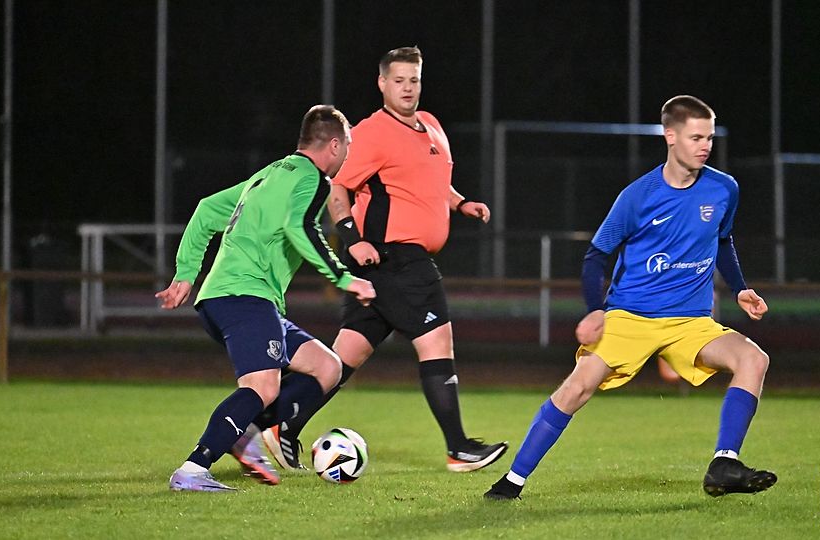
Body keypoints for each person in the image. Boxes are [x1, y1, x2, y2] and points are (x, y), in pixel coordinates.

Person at [484, 95, 777, 500]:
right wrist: (595, 311)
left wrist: (740, 287)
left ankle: (724, 463)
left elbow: (722, 240)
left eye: (709, 138)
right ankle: (511, 482)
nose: (705, 146)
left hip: (690, 322)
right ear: (670, 136)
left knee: (754, 359)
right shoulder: (638, 196)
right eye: (696, 138)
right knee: (577, 387)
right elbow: (596, 256)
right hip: (630, 317)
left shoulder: (724, 188)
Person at [251, 46, 508, 473]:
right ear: (382, 83)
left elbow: (433, 183)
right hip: (394, 258)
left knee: (343, 358)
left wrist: (461, 203)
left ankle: (271, 424)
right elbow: (337, 188)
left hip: (392, 263)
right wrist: (351, 239)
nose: (407, 88)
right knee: (436, 342)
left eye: (414, 80)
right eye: (399, 80)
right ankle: (459, 448)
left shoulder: (431, 126)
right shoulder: (371, 132)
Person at [158, 105, 375, 492]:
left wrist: (186, 273)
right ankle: (194, 469)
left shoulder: (269, 174)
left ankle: (246, 434)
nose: (348, 155)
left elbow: (207, 210)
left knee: (327, 367)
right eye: (348, 146)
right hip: (245, 296)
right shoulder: (313, 179)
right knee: (263, 387)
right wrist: (344, 278)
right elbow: (300, 227)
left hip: (231, 298)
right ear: (334, 145)